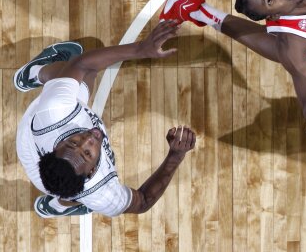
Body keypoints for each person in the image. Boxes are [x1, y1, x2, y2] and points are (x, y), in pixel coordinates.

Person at [15, 20, 197, 218]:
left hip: (31, 146)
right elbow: (143, 201)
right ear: (92, 171)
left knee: (78, 66)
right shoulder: (103, 193)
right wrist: (176, 155)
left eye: (73, 142)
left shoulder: (53, 114)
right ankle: (57, 206)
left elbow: (81, 63)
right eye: (87, 153)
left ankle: (31, 74)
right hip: (68, 183)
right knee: (84, 195)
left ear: (56, 148)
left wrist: (141, 49)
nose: (88, 139)